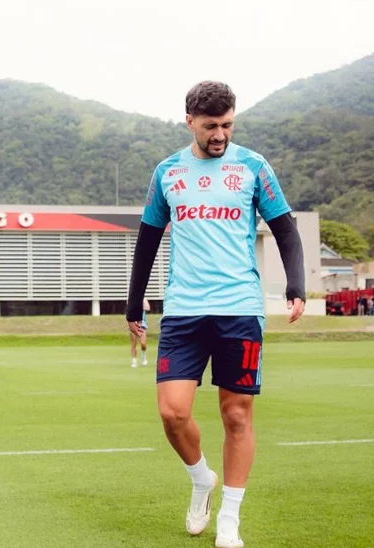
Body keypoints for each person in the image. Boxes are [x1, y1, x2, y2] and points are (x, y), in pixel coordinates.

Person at [124, 81, 306, 548]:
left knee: (237, 416)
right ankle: (201, 478)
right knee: (172, 413)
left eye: (227, 124)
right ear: (190, 121)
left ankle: (229, 518)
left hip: (239, 309)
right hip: (183, 310)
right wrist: (133, 301)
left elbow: (285, 229)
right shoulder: (167, 172)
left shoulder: (253, 167)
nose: (220, 134)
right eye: (210, 126)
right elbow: (148, 238)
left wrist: (295, 285)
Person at [130, 298, 151, 367]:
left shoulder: (143, 299)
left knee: (143, 344)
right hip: (133, 324)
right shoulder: (132, 299)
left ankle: (143, 355)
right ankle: (134, 360)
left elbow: (148, 308)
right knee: (133, 344)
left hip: (142, 325)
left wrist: (142, 301)